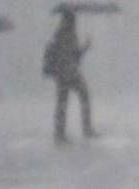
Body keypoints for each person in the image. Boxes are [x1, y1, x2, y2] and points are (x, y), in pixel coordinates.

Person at [44, 11, 96, 143]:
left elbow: (71, 55)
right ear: (71, 20)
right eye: (74, 19)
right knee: (83, 97)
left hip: (62, 74)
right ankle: (86, 128)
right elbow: (75, 56)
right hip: (70, 73)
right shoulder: (68, 34)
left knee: (62, 103)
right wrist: (85, 46)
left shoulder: (59, 34)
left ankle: (60, 133)